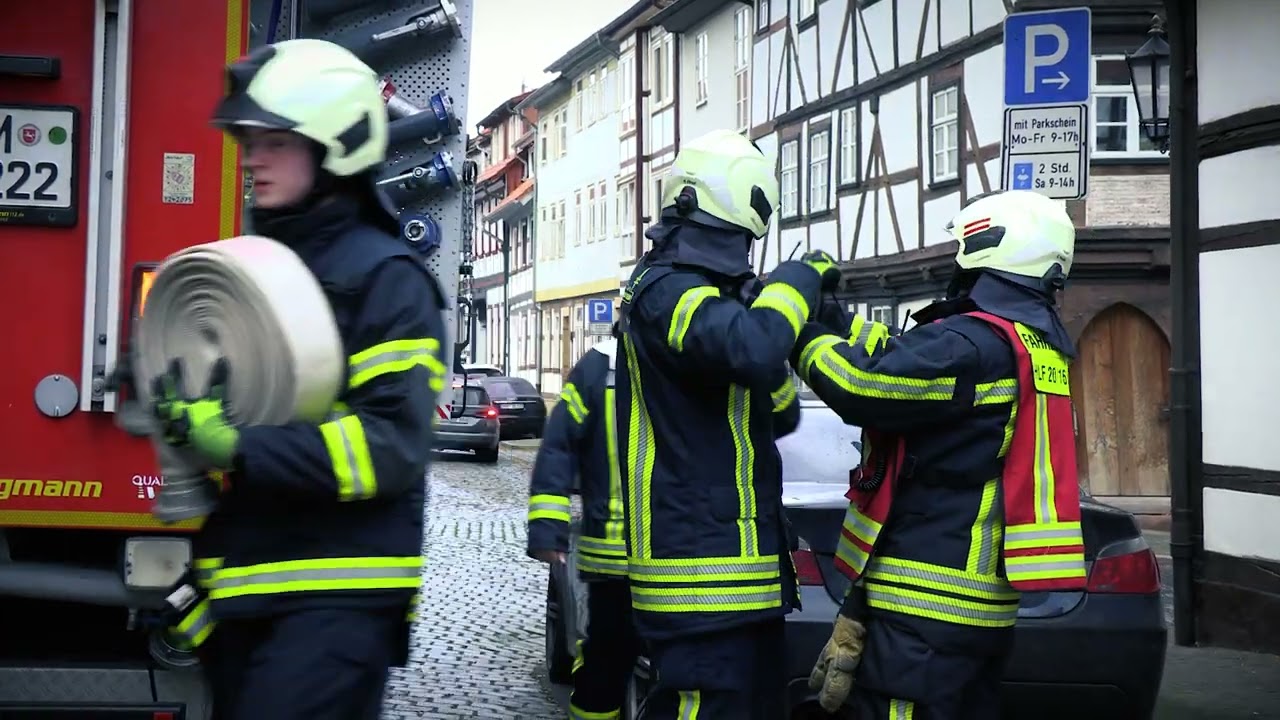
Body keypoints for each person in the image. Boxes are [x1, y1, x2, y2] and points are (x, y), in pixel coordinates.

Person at [150, 38, 447, 720]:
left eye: (275, 141)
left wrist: (239, 445)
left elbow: (389, 446)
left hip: (334, 604)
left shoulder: (387, 279)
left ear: (336, 146)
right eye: (249, 141)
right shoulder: (263, 267)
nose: (251, 158)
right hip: (250, 591)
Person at [798, 190, 1088, 719]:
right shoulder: (1029, 343)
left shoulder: (973, 345)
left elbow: (863, 385)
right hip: (976, 606)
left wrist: (798, 330)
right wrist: (838, 322)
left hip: (926, 604)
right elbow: (910, 359)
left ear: (988, 250)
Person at [614, 128, 838, 720]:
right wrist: (794, 285)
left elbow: (781, 408)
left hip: (739, 582)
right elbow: (755, 351)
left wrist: (800, 320)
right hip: (697, 580)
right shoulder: (667, 289)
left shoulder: (712, 301)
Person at [526, 327, 643, 720]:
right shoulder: (702, 352)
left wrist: (548, 531)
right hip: (662, 559)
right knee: (609, 668)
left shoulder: (600, 367)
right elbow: (559, 446)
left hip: (615, 558)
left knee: (605, 665)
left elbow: (559, 447)